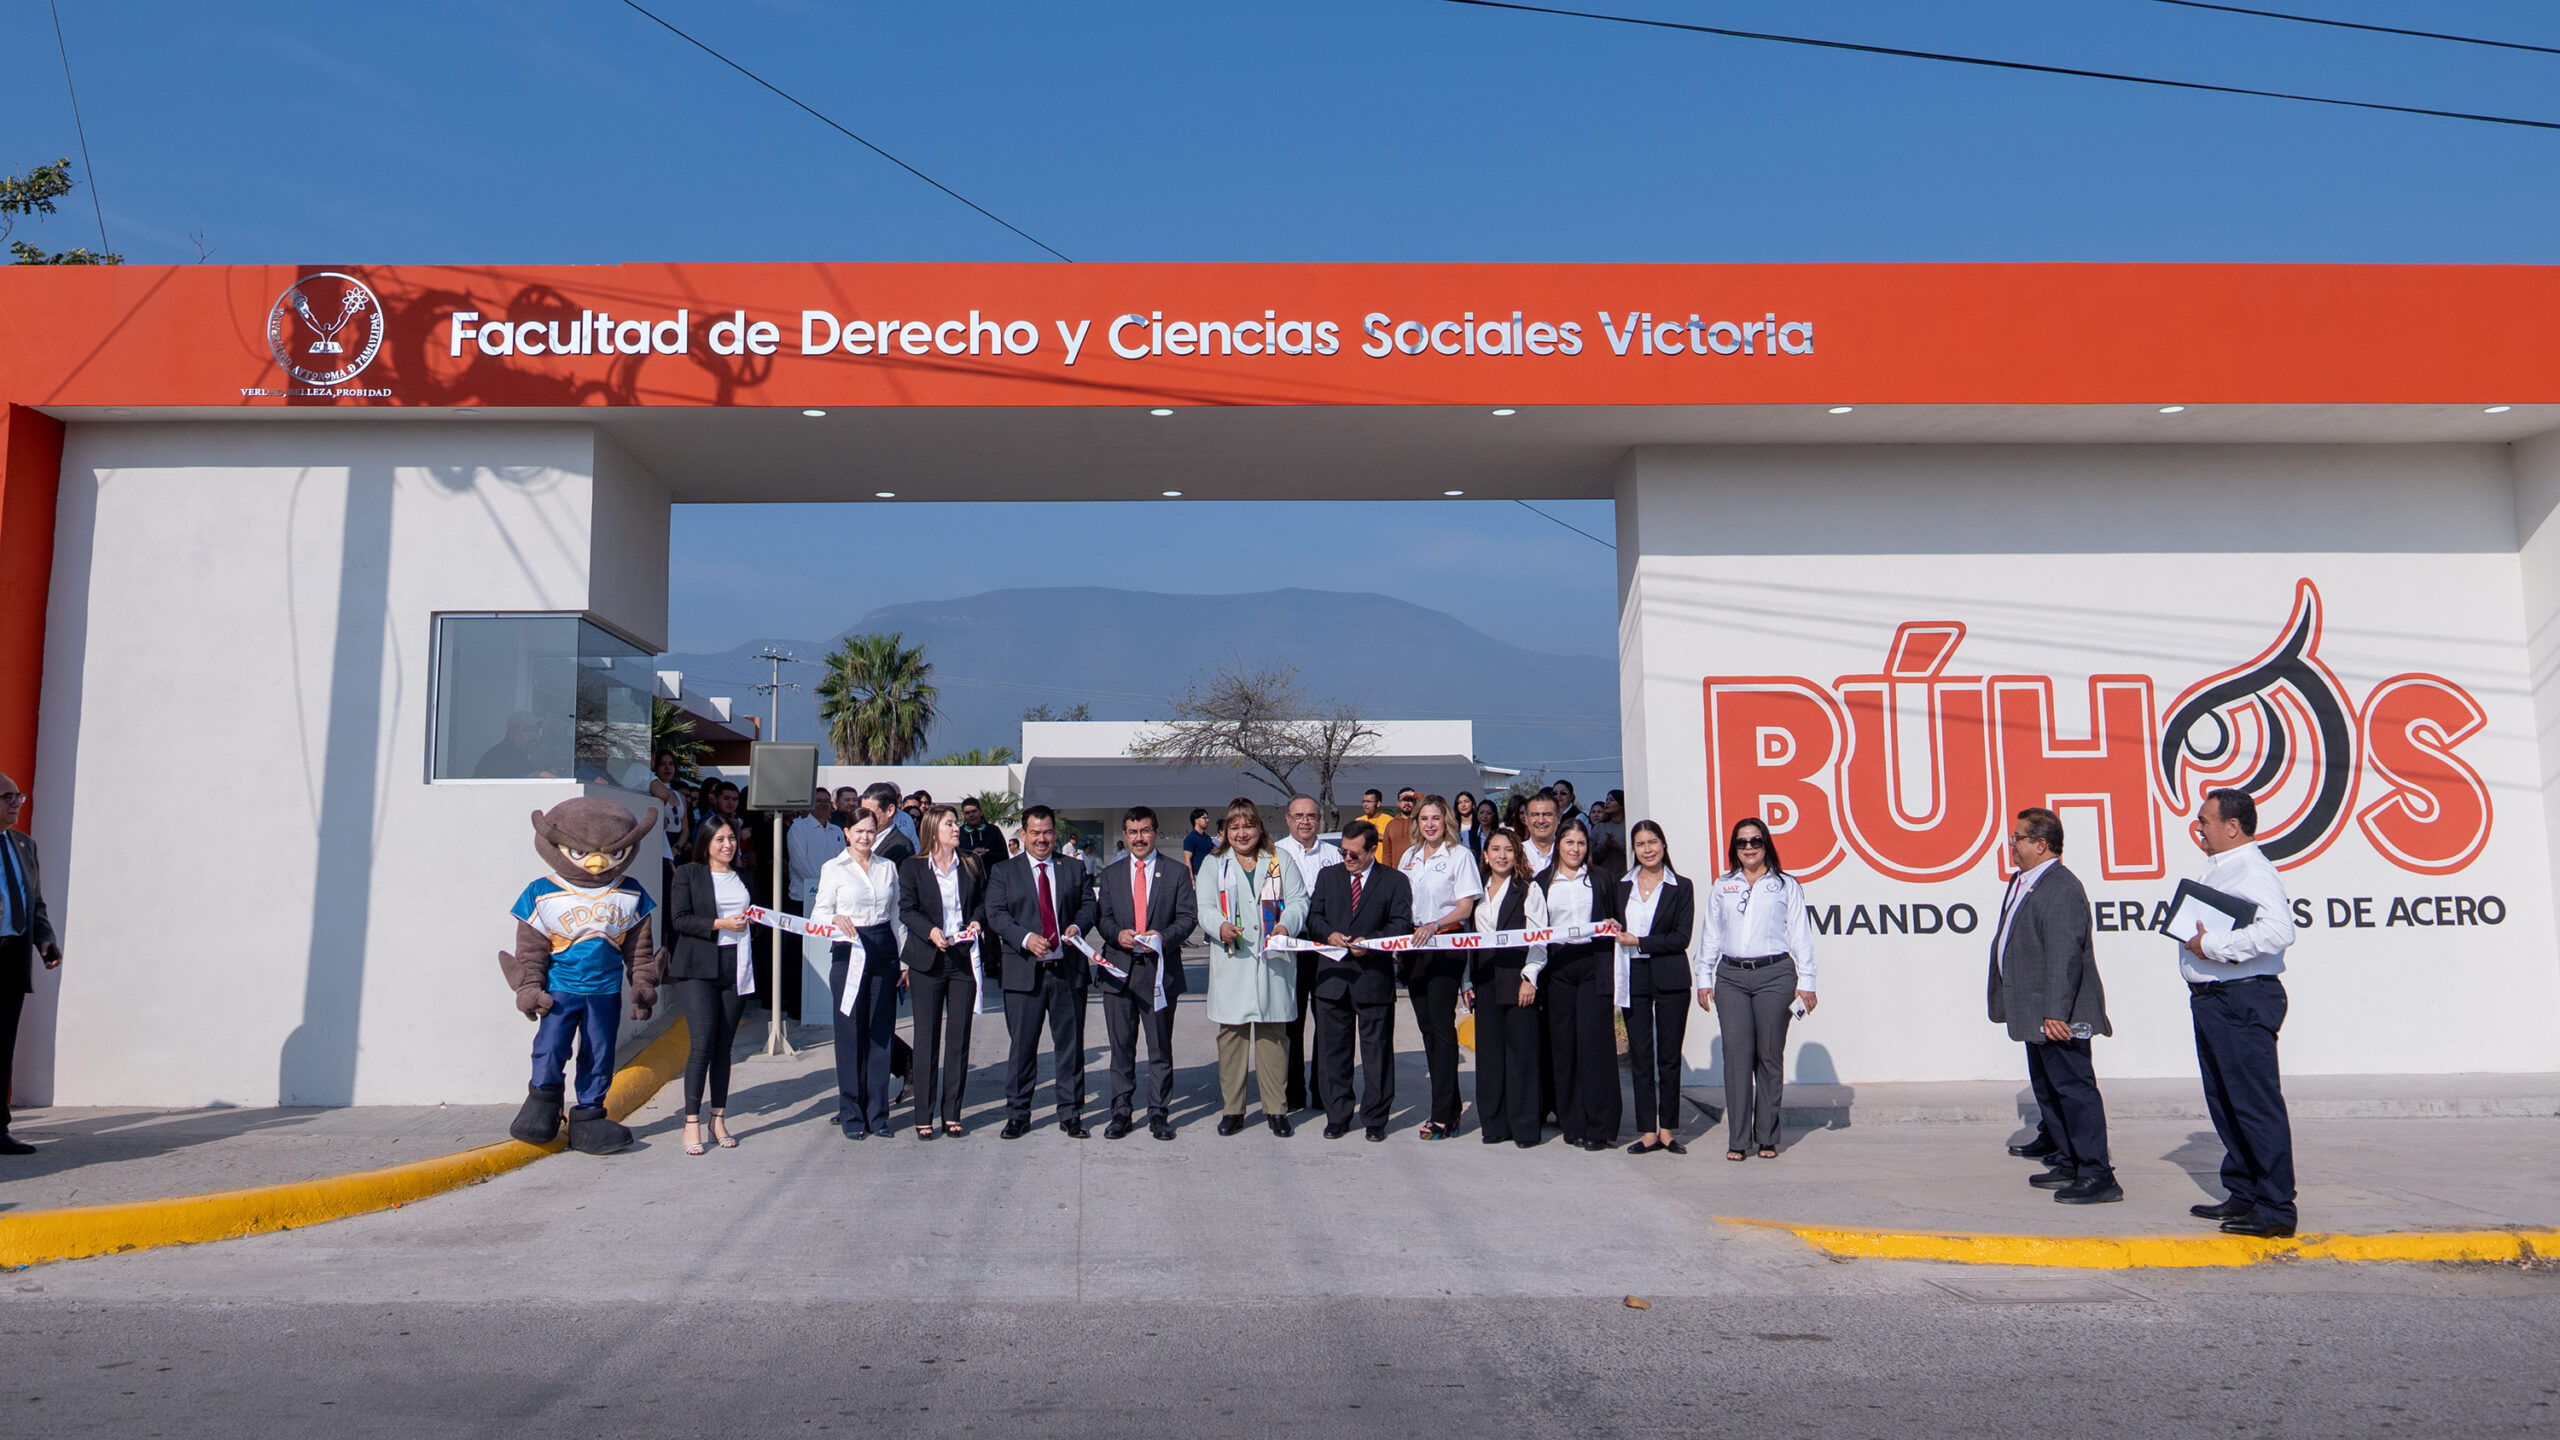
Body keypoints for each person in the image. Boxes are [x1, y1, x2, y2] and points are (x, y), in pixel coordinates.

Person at [2178, 787, 2300, 1238]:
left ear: (2232, 826)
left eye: (2205, 821)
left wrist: (2211, 945)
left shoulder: (2251, 867)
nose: (2199, 828)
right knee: (2227, 1103)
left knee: (2254, 1105)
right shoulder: (2223, 868)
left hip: (2242, 998)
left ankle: (2275, 1207)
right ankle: (2245, 1191)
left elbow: (2278, 932)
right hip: (2217, 1000)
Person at [1988, 807, 2117, 1204]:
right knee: (2049, 1090)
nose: (2012, 845)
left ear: (2041, 844)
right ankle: (2069, 1159)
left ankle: (2097, 1173)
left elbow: (2065, 957)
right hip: (2036, 1010)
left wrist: (2055, 1013)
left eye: (2018, 838)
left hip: (2059, 1016)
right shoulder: (2026, 882)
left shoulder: (2060, 887)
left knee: (2074, 1090)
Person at [1695, 816, 1818, 1161]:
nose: (1749, 847)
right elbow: (1711, 934)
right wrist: (1703, 976)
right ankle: (1738, 1139)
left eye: (1755, 841)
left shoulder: (1786, 885)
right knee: (1736, 1055)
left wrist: (1807, 983)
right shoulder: (1723, 885)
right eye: (1741, 842)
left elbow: (1800, 936)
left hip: (1775, 976)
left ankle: (1766, 1136)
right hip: (1732, 976)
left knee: (1768, 1055)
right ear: (1734, 848)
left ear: (1766, 845)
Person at [983, 804, 1098, 1139]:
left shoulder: (1073, 868)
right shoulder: (1005, 872)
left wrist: (1078, 925)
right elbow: (996, 914)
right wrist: (1025, 938)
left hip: (1068, 972)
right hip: (1023, 974)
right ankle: (1018, 1114)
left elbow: (1089, 904)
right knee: (1022, 1047)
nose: (1042, 839)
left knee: (1070, 1046)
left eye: (1047, 832)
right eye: (1035, 833)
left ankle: (1071, 1112)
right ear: (1023, 834)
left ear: (1055, 834)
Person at [1197, 798, 1309, 1137]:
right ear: (1226, 832)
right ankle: (1233, 1109)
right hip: (1234, 960)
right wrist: (1219, 926)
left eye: (1248, 826)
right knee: (1232, 1038)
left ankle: (1276, 1109)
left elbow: (1299, 900)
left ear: (1259, 827)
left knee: (1273, 1038)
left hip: (1272, 960)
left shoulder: (1279, 860)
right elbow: (1204, 908)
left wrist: (1287, 925)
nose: (1242, 833)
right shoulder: (1214, 865)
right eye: (1234, 827)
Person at [1303, 819, 1413, 1142]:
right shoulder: (1328, 877)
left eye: (1354, 854)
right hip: (1333, 978)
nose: (1347, 859)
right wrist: (1329, 934)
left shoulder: (1394, 881)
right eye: (1343, 852)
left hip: (1373, 978)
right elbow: (1314, 918)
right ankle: (1338, 1115)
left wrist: (1372, 942)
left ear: (1372, 849)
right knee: (1334, 1052)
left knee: (1377, 1053)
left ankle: (1376, 1118)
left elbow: (1401, 923)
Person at [1093, 806, 1198, 1140]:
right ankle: (1121, 1112)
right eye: (1133, 832)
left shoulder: (1176, 873)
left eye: (1145, 831)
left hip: (1159, 973)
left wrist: (1163, 937)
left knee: (1159, 1049)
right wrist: (1115, 934)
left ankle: (1158, 1113)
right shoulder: (1110, 875)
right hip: (1118, 973)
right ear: (1125, 835)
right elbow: (1103, 917)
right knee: (1121, 1049)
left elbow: (1187, 917)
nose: (1139, 838)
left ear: (1155, 832)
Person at [898, 804, 987, 1140]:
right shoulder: (913, 867)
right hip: (927, 961)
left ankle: (953, 1113)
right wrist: (930, 931)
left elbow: (981, 900)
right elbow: (907, 909)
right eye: (950, 823)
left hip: (962, 959)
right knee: (926, 1039)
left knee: (959, 1039)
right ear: (934, 828)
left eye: (956, 823)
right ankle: (923, 1115)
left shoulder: (971, 862)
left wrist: (978, 920)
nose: (956, 828)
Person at [816, 809, 905, 1140]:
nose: (866, 837)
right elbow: (819, 914)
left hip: (883, 949)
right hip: (848, 951)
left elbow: (896, 916)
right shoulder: (833, 868)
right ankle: (852, 1114)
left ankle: (878, 1114)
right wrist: (835, 920)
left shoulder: (888, 868)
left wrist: (904, 962)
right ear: (847, 833)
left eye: (871, 830)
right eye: (859, 831)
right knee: (850, 1032)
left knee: (880, 1033)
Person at [1399, 795, 1483, 1141]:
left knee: (1442, 1027)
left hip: (1445, 944)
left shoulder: (1459, 856)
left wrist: (1434, 924)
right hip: (1413, 947)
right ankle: (1446, 1103)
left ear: (1446, 821)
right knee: (1427, 1029)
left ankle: (1443, 1114)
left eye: (1436, 818)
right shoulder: (1409, 857)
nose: (1430, 824)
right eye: (1424, 818)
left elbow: (1465, 908)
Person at [664, 817, 750, 1156]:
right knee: (701, 1045)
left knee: (723, 1049)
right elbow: (679, 919)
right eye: (720, 840)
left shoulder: (743, 876)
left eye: (731, 839)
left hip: (736, 966)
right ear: (706, 843)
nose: (728, 845)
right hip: (698, 968)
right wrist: (720, 924)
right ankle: (690, 1122)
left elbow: (751, 918)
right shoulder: (688, 874)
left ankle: (718, 1118)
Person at [1539, 818, 1622, 1151]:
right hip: (1558, 967)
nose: (1575, 849)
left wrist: (1614, 924)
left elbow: (1617, 919)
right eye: (1569, 842)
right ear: (1558, 844)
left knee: (1595, 1047)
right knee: (1564, 1046)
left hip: (1592, 965)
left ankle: (1599, 1126)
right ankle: (1571, 1122)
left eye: (1581, 843)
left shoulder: (1602, 879)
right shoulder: (1542, 881)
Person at [1612, 820, 1694, 1155]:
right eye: (1641, 844)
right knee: (1641, 1056)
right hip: (1633, 975)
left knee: (1669, 1056)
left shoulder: (1681, 886)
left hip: (1671, 976)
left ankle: (1667, 1129)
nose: (1647, 849)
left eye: (1653, 842)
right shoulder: (1621, 885)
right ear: (1634, 849)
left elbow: (1681, 938)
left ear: (1663, 845)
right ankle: (1646, 1130)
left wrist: (1640, 941)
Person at [1467, 828, 1546, 1148]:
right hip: (1485, 980)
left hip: (1518, 979)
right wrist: (1467, 982)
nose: (1502, 855)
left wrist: (1530, 977)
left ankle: (1525, 1127)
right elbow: (1467, 943)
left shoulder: (1529, 889)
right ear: (1484, 855)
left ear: (1517, 855)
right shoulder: (1476, 893)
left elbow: (1540, 936)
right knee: (1488, 1056)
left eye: (1508, 850)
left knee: (1522, 1056)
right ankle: (1494, 1125)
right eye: (1495, 849)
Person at [0, 776, 62, 1156]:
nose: (17, 803)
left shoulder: (24, 844)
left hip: (11, 958)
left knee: (2, 1047)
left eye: (18, 797)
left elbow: (35, 902)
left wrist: (45, 939)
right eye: (8, 797)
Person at [1275, 794, 1342, 1115]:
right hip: (1291, 945)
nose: (1305, 821)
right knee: (1292, 1020)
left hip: (1327, 946)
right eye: (1298, 816)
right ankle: (1294, 1090)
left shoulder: (1334, 855)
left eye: (1311, 816)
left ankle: (1323, 1090)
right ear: (1288, 819)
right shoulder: (1274, 853)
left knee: (1327, 1019)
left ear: (1320, 820)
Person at [778, 789, 843, 1020]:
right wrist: (822, 888)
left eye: (827, 802)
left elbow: (842, 864)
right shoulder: (799, 828)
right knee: (798, 956)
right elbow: (799, 863)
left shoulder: (837, 831)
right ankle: (796, 1005)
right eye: (819, 801)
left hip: (832, 903)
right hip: (802, 899)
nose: (824, 805)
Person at [474, 710, 561, 779]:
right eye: (527, 730)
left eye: (536, 731)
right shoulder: (505, 754)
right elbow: (540, 776)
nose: (534, 736)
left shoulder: (512, 753)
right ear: (512, 733)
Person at [860, 783, 917, 865]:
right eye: (862, 812)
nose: (864, 817)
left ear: (889, 811)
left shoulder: (902, 847)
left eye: (870, 813)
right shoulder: (858, 838)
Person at [957, 799, 1006, 872]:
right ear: (963, 815)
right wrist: (971, 855)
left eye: (974, 811)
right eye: (967, 813)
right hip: (968, 878)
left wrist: (987, 854)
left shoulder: (993, 830)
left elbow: (1004, 857)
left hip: (992, 878)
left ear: (980, 812)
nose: (971, 815)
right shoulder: (958, 833)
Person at [1520, 792, 1560, 874]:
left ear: (1558, 818)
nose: (1541, 821)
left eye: (1547, 815)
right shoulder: (1517, 853)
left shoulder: (1568, 852)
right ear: (1526, 819)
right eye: (1535, 815)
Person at [1380, 787, 1419, 869]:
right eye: (1403, 800)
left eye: (1410, 800)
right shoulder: (1391, 824)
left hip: (1417, 870)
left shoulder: (1421, 822)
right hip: (1396, 871)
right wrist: (1387, 872)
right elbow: (1387, 852)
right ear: (1398, 803)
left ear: (1415, 802)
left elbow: (1432, 803)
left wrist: (1416, 795)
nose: (1407, 803)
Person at [1181, 807, 1218, 879]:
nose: (1207, 820)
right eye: (1204, 818)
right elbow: (1187, 859)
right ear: (1196, 821)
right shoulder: (1191, 838)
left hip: (1210, 875)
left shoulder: (1208, 838)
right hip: (1197, 876)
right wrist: (1191, 879)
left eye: (1208, 818)